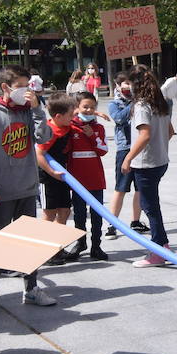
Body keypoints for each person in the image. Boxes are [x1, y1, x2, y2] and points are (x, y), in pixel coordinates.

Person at [0, 65, 56, 313]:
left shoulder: (28, 112)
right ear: (5, 87)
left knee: (28, 241)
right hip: (1, 188)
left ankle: (31, 287)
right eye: (20, 86)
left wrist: (38, 110)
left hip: (27, 187)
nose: (25, 91)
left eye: (27, 86)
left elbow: (44, 137)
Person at [123, 66, 177, 269]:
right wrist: (160, 145)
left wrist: (128, 157)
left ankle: (159, 249)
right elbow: (170, 131)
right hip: (161, 161)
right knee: (151, 205)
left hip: (146, 163)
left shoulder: (141, 105)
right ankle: (162, 245)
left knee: (150, 207)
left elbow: (144, 134)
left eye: (128, 82)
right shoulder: (160, 103)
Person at [66, 90, 109, 261]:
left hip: (96, 179)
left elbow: (103, 150)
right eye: (85, 107)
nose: (89, 110)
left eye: (92, 107)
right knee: (79, 214)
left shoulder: (98, 128)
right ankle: (80, 242)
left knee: (97, 214)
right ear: (76, 108)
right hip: (77, 180)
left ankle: (96, 245)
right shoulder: (69, 128)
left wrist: (92, 136)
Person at [105, 72, 147, 239]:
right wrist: (134, 103)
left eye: (130, 84)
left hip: (140, 148)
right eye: (124, 84)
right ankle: (112, 224)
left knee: (140, 189)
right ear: (118, 86)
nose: (128, 88)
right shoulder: (115, 104)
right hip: (125, 149)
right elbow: (119, 119)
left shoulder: (141, 103)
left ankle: (135, 221)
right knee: (121, 188)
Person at [36, 92, 76, 229]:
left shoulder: (66, 125)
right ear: (58, 116)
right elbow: (39, 154)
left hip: (62, 176)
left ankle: (58, 246)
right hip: (48, 178)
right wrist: (52, 172)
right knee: (49, 213)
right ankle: (46, 247)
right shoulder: (50, 131)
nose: (73, 117)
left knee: (65, 210)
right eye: (71, 115)